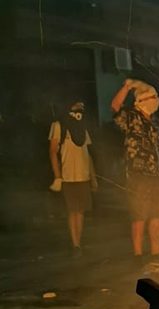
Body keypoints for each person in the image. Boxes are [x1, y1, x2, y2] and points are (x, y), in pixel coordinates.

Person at [111, 79, 159, 264]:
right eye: (152, 97)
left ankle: (156, 252)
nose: (156, 101)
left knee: (157, 214)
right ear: (141, 100)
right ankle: (137, 254)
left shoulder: (156, 122)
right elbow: (115, 106)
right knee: (139, 215)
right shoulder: (131, 117)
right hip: (137, 175)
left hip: (156, 175)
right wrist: (127, 86)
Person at [48, 100, 97, 257]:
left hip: (83, 175)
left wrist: (93, 177)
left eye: (82, 106)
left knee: (80, 211)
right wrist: (57, 176)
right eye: (78, 105)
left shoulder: (82, 126)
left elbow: (87, 154)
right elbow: (52, 151)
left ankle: (78, 243)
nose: (81, 108)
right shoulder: (58, 125)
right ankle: (75, 244)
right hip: (68, 176)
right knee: (72, 210)